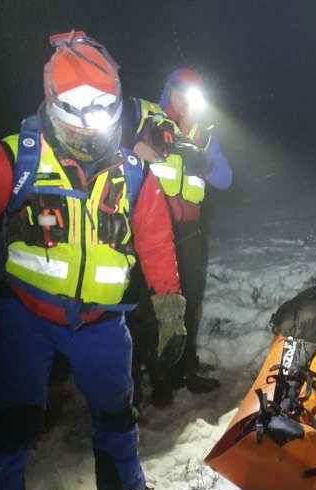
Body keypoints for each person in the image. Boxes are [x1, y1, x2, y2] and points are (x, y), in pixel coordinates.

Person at [0, 31, 187, 490]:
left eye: (103, 106)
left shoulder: (134, 174)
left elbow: (156, 241)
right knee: (13, 424)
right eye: (76, 106)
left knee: (117, 412)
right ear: (53, 102)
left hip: (101, 324)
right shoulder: (10, 158)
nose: (90, 119)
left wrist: (170, 304)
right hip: (24, 316)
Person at [124, 67, 233, 407]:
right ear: (168, 89)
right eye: (181, 92)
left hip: (190, 232)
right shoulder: (145, 117)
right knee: (148, 306)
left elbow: (226, 178)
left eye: (195, 95)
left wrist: (201, 160)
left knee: (191, 301)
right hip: (151, 231)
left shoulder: (204, 132)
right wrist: (136, 145)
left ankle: (184, 368)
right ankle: (151, 376)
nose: (187, 101)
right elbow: (110, 141)